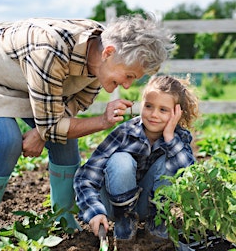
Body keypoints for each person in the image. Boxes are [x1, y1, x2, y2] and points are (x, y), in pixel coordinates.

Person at [0, 14, 175, 251]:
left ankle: (63, 217)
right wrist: (98, 121)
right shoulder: (50, 49)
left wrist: (42, 132)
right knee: (6, 142)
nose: (127, 85)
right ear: (108, 53)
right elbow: (53, 125)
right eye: (128, 76)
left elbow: (69, 110)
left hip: (27, 82)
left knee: (64, 142)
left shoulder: (99, 62)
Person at [74, 75, 200, 242]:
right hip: (116, 206)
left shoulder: (179, 137)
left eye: (163, 109)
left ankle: (157, 224)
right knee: (121, 160)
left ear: (177, 113)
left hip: (151, 207)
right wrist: (94, 211)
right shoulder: (125, 133)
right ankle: (125, 223)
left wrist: (170, 138)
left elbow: (191, 175)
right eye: (149, 106)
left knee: (171, 162)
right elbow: (86, 177)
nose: (154, 114)